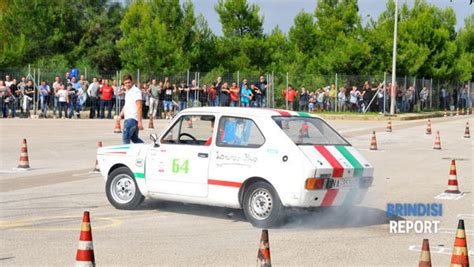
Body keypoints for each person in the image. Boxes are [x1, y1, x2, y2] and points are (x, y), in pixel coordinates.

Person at [117, 74, 144, 144]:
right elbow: (126, 105)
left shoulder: (136, 91)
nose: (127, 84)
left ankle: (126, 154)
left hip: (131, 119)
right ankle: (145, 150)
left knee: (125, 138)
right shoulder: (127, 91)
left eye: (129, 82)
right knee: (134, 139)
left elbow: (139, 106)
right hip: (130, 119)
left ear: (132, 81)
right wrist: (120, 116)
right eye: (126, 83)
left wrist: (140, 121)